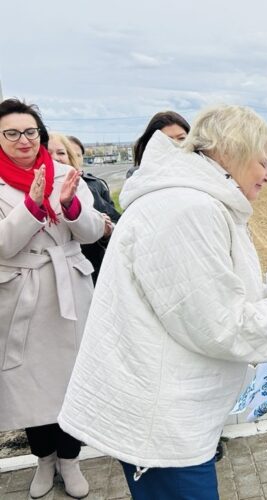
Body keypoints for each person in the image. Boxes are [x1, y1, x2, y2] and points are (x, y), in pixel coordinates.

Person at [58, 105, 267, 499]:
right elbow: (220, 325)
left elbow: (215, 296)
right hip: (161, 425)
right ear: (232, 152)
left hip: (168, 413)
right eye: (263, 162)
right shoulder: (189, 210)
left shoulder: (193, 201)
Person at [0, 99, 105, 498]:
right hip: (21, 294)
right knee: (30, 385)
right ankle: (44, 461)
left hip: (69, 293)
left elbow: (91, 232)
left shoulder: (65, 174)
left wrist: (70, 205)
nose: (23, 140)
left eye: (30, 131)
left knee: (70, 381)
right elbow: (4, 245)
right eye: (11, 133)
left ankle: (70, 460)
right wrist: (31, 205)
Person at [49, 133, 119, 282]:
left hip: (91, 269)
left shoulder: (90, 186)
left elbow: (115, 222)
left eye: (61, 153)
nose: (55, 158)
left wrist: (106, 229)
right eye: (48, 153)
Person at [126, 110, 190, 178]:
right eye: (167, 139)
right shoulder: (138, 176)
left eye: (181, 138)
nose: (175, 143)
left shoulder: (196, 168)